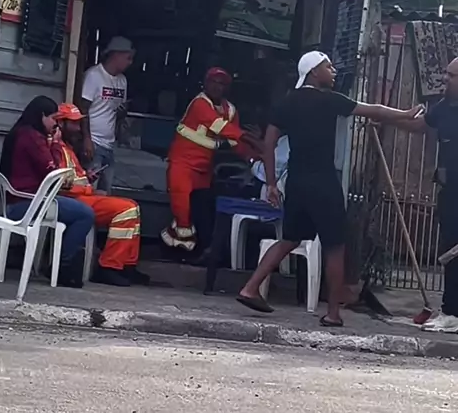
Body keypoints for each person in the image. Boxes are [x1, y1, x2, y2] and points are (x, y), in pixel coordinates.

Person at [237, 50, 422, 327]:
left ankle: (250, 288)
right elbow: (375, 110)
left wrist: (272, 184)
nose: (334, 71)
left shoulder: (285, 103)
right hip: (323, 183)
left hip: (296, 183)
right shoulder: (330, 100)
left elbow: (268, 145)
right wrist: (406, 113)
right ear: (314, 72)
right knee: (335, 246)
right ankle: (333, 313)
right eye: (329, 66)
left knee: (289, 239)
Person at [161, 67, 261, 252]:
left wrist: (254, 157)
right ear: (205, 84)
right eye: (213, 82)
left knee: (201, 211)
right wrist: (254, 141)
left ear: (227, 88)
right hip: (182, 163)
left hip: (203, 168)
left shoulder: (230, 110)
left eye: (221, 83)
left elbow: (235, 143)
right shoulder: (199, 104)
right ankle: (177, 251)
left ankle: (194, 251)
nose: (216, 86)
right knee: (181, 210)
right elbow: (221, 127)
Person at [0, 96, 95, 288]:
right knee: (85, 214)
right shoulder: (33, 138)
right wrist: (55, 144)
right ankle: (63, 266)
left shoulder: (20, 132)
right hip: (26, 204)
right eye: (53, 119)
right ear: (42, 115)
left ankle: (61, 263)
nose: (55, 124)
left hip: (20, 201)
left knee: (76, 210)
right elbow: (52, 171)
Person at [53, 102, 148, 288]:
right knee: (126, 210)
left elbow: (73, 177)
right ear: (61, 123)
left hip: (83, 197)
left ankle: (126, 265)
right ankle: (108, 267)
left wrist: (87, 177)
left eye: (78, 123)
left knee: (133, 206)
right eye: (73, 123)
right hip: (73, 201)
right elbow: (60, 184)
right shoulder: (56, 148)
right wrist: (84, 185)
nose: (78, 128)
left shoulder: (67, 147)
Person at [400, 57, 458, 333]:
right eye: (446, 73)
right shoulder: (444, 107)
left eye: (452, 75)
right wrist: (391, 120)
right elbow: (421, 125)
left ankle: (453, 312)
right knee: (450, 252)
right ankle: (451, 311)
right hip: (450, 192)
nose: (446, 79)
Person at [80, 36, 135, 193]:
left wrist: (122, 113)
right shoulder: (93, 75)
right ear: (116, 55)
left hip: (109, 144)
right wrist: (86, 139)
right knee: (89, 190)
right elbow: (83, 109)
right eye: (128, 58)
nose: (130, 63)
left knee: (104, 192)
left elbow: (117, 112)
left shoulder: (122, 81)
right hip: (94, 143)